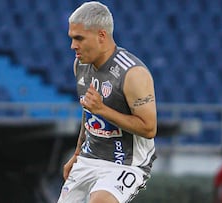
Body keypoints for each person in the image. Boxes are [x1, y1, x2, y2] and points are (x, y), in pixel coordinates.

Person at [58, 2, 157, 203]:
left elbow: (149, 128)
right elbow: (89, 112)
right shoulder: (81, 65)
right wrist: (77, 153)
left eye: (79, 38)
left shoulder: (133, 74)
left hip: (125, 163)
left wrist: (102, 109)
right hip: (89, 158)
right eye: (72, 38)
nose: (72, 46)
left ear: (101, 36)